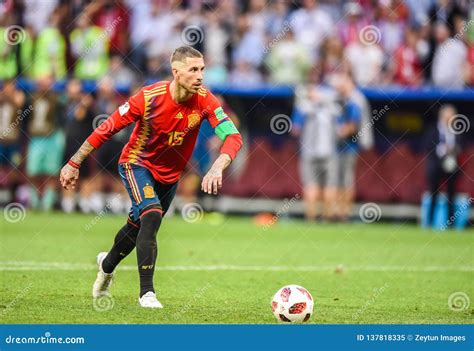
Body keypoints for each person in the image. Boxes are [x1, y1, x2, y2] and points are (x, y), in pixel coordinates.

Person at [59, 46, 243, 309]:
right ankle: (147, 293)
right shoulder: (148, 97)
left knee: (139, 226)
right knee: (152, 214)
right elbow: (106, 128)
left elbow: (233, 136)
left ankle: (106, 265)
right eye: (193, 70)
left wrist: (217, 167)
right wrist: (74, 162)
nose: (200, 76)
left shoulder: (206, 100)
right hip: (137, 164)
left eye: (202, 69)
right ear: (176, 72)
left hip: (170, 176)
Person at [424, 104, 462, 227]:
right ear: (442, 116)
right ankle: (429, 223)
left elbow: (461, 146)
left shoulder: (457, 130)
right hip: (436, 165)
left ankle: (451, 224)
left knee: (451, 195)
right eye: (448, 116)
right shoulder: (433, 129)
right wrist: (442, 149)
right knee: (433, 194)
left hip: (451, 166)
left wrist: (453, 149)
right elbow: (427, 146)